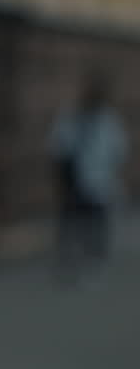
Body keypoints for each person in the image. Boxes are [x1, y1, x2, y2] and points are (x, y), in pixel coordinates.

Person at [49, 75, 129, 285]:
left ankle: (93, 261)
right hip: (74, 181)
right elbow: (59, 148)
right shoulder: (71, 118)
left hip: (98, 181)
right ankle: (70, 262)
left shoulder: (108, 121)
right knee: (73, 223)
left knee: (95, 223)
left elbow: (119, 151)